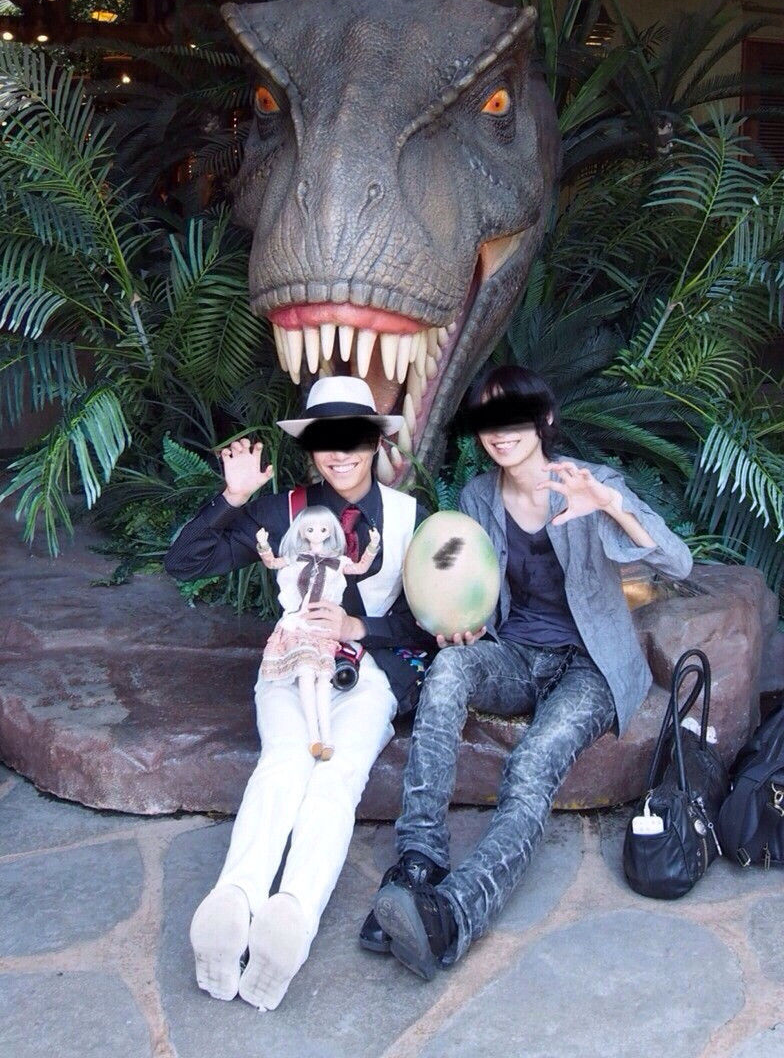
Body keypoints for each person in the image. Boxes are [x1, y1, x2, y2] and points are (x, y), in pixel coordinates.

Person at [364, 364, 693, 979]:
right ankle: (418, 861)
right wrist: (460, 623)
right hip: (516, 655)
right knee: (449, 668)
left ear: (544, 419)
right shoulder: (477, 499)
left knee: (533, 763)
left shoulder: (589, 484)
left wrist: (612, 506)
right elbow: (470, 587)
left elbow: (677, 561)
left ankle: (452, 915)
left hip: (590, 666)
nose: (501, 432)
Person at [164, 376, 433, 1010]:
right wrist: (233, 497)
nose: (339, 454)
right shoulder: (282, 510)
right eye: (324, 441)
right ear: (310, 447)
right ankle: (233, 903)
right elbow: (185, 563)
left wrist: (358, 627)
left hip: (370, 673)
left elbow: (430, 622)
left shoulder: (409, 518)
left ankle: (290, 916)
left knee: (336, 776)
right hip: (290, 668)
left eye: (352, 439)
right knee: (285, 761)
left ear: (375, 442)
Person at [256, 506, 380, 759]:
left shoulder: (337, 561)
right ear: (302, 531)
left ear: (330, 531)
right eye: (310, 529)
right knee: (305, 674)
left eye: (323, 529)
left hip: (323, 624)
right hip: (299, 622)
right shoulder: (296, 558)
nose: (316, 533)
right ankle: (313, 736)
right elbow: (272, 563)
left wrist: (373, 545)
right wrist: (263, 545)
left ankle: (328, 738)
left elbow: (360, 568)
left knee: (324, 678)